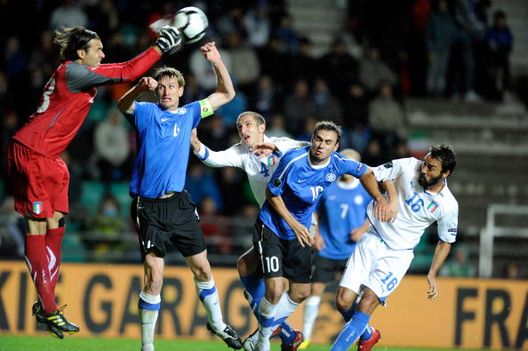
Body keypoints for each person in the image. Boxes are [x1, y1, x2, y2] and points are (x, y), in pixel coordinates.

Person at [6, 24, 183, 339]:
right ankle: (47, 308)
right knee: (37, 225)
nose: (102, 53)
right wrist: (160, 47)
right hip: (32, 152)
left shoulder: (78, 74)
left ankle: (45, 301)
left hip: (51, 159)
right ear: (81, 53)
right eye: (97, 49)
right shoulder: (73, 71)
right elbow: (127, 69)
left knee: (58, 223)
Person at [116, 42, 241, 351]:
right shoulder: (145, 112)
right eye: (161, 87)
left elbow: (227, 94)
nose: (166, 91)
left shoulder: (190, 113)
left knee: (202, 268)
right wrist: (137, 88)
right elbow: (123, 105)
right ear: (155, 91)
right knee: (154, 276)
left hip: (179, 204)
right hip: (149, 207)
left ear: (181, 90)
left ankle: (218, 323)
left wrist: (216, 60)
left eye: (172, 86)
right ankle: (147, 347)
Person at [252, 121, 396, 351]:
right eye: (318, 139)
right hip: (273, 227)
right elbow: (272, 193)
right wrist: (299, 225)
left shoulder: (338, 164)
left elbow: (366, 172)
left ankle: (281, 333)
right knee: (276, 290)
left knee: (301, 292)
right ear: (312, 139)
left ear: (335, 147)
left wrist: (379, 198)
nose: (321, 145)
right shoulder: (293, 161)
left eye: (328, 142)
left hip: (307, 236)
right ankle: (260, 342)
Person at [191, 110, 308, 351]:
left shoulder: (282, 144)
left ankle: (273, 333)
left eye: (247, 125)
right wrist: (195, 143)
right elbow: (213, 158)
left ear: (261, 128)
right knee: (248, 268)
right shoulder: (242, 152)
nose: (243, 130)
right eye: (239, 126)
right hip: (271, 221)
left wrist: (276, 149)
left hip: (298, 222)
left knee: (294, 291)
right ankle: (278, 335)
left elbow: (312, 150)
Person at [331, 144, 459, 351]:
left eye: (431, 168)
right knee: (343, 303)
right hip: (371, 237)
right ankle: (368, 334)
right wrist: (389, 197)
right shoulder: (409, 165)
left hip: (397, 255)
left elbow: (446, 241)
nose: (424, 169)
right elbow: (371, 174)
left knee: (366, 304)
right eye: (425, 163)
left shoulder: (448, 205)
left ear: (446, 173)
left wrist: (433, 273)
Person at [298, 149, 372, 350]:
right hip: (328, 248)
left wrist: (363, 228)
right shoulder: (328, 186)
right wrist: (317, 234)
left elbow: (376, 212)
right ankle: (306, 336)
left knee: (352, 298)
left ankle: (359, 333)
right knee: (315, 291)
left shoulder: (365, 189)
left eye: (351, 161)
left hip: (353, 252)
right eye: (344, 160)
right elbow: (313, 210)